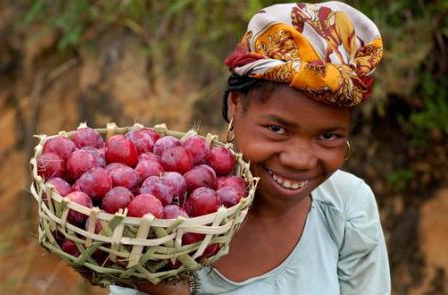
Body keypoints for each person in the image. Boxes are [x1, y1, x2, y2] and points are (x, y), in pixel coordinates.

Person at [110, 1, 391, 294]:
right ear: (235, 105)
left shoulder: (347, 207)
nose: (299, 160)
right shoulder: (163, 215)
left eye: (329, 136)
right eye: (277, 129)